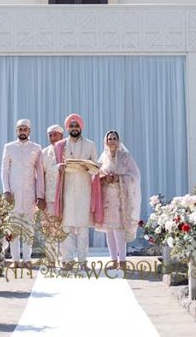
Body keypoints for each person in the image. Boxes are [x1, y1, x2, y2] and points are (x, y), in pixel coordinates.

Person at [53, 113, 100, 266]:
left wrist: (88, 167)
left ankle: (82, 260)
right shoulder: (60, 145)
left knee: (82, 228)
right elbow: (53, 167)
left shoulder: (90, 144)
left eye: (77, 125)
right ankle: (66, 260)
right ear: (67, 128)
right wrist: (59, 167)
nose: (74, 128)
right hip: (66, 191)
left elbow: (96, 169)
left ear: (81, 127)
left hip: (84, 191)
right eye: (71, 126)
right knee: (66, 228)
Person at [1, 119, 45, 265]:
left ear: (29, 131)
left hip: (29, 194)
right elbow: (4, 170)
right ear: (16, 131)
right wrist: (6, 190)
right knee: (14, 228)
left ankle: (26, 259)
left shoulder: (37, 148)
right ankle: (15, 259)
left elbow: (39, 173)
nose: (22, 132)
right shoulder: (9, 147)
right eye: (20, 129)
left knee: (28, 228)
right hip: (12, 194)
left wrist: (40, 195)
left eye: (25, 129)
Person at [95, 130, 142, 267]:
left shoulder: (125, 157)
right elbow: (96, 175)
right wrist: (104, 178)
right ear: (106, 141)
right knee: (108, 230)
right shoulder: (103, 158)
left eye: (114, 138)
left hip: (121, 198)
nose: (112, 141)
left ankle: (122, 261)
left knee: (119, 229)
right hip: (107, 198)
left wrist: (118, 178)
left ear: (118, 140)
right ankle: (113, 260)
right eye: (109, 139)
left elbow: (135, 176)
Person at [40, 124, 66, 264]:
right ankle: (51, 259)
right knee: (49, 227)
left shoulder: (69, 150)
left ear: (61, 136)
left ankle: (65, 259)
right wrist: (40, 196)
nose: (52, 137)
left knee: (64, 228)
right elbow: (39, 176)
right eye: (50, 135)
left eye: (55, 134)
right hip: (49, 196)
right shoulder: (44, 153)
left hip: (66, 196)